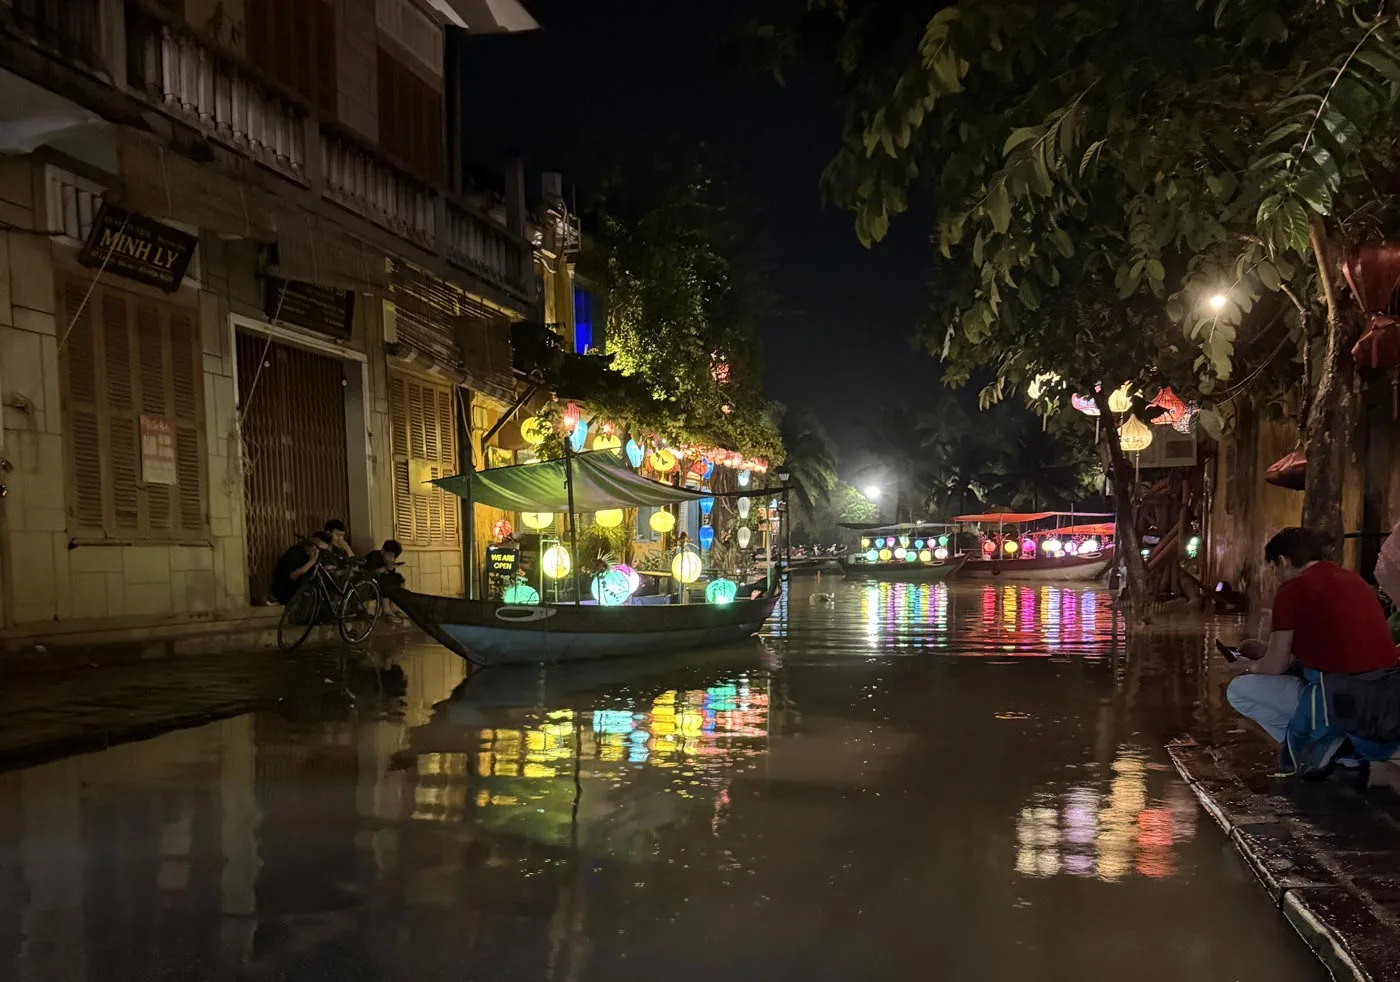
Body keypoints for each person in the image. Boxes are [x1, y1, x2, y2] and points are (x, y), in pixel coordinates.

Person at [1227, 526, 1400, 776]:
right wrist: (1263, 649)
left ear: (1283, 562)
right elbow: (1331, 647)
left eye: (1274, 568)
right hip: (1387, 708)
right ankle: (1341, 748)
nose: (1276, 576)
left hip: (1343, 702)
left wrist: (1245, 665)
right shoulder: (1354, 580)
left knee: (1239, 690)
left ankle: (1329, 748)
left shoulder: (1292, 590)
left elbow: (1275, 666)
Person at [269, 531, 331, 604]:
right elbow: (292, 576)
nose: (318, 551)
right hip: (286, 592)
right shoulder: (295, 553)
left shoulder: (317, 556)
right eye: (317, 547)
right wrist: (311, 562)